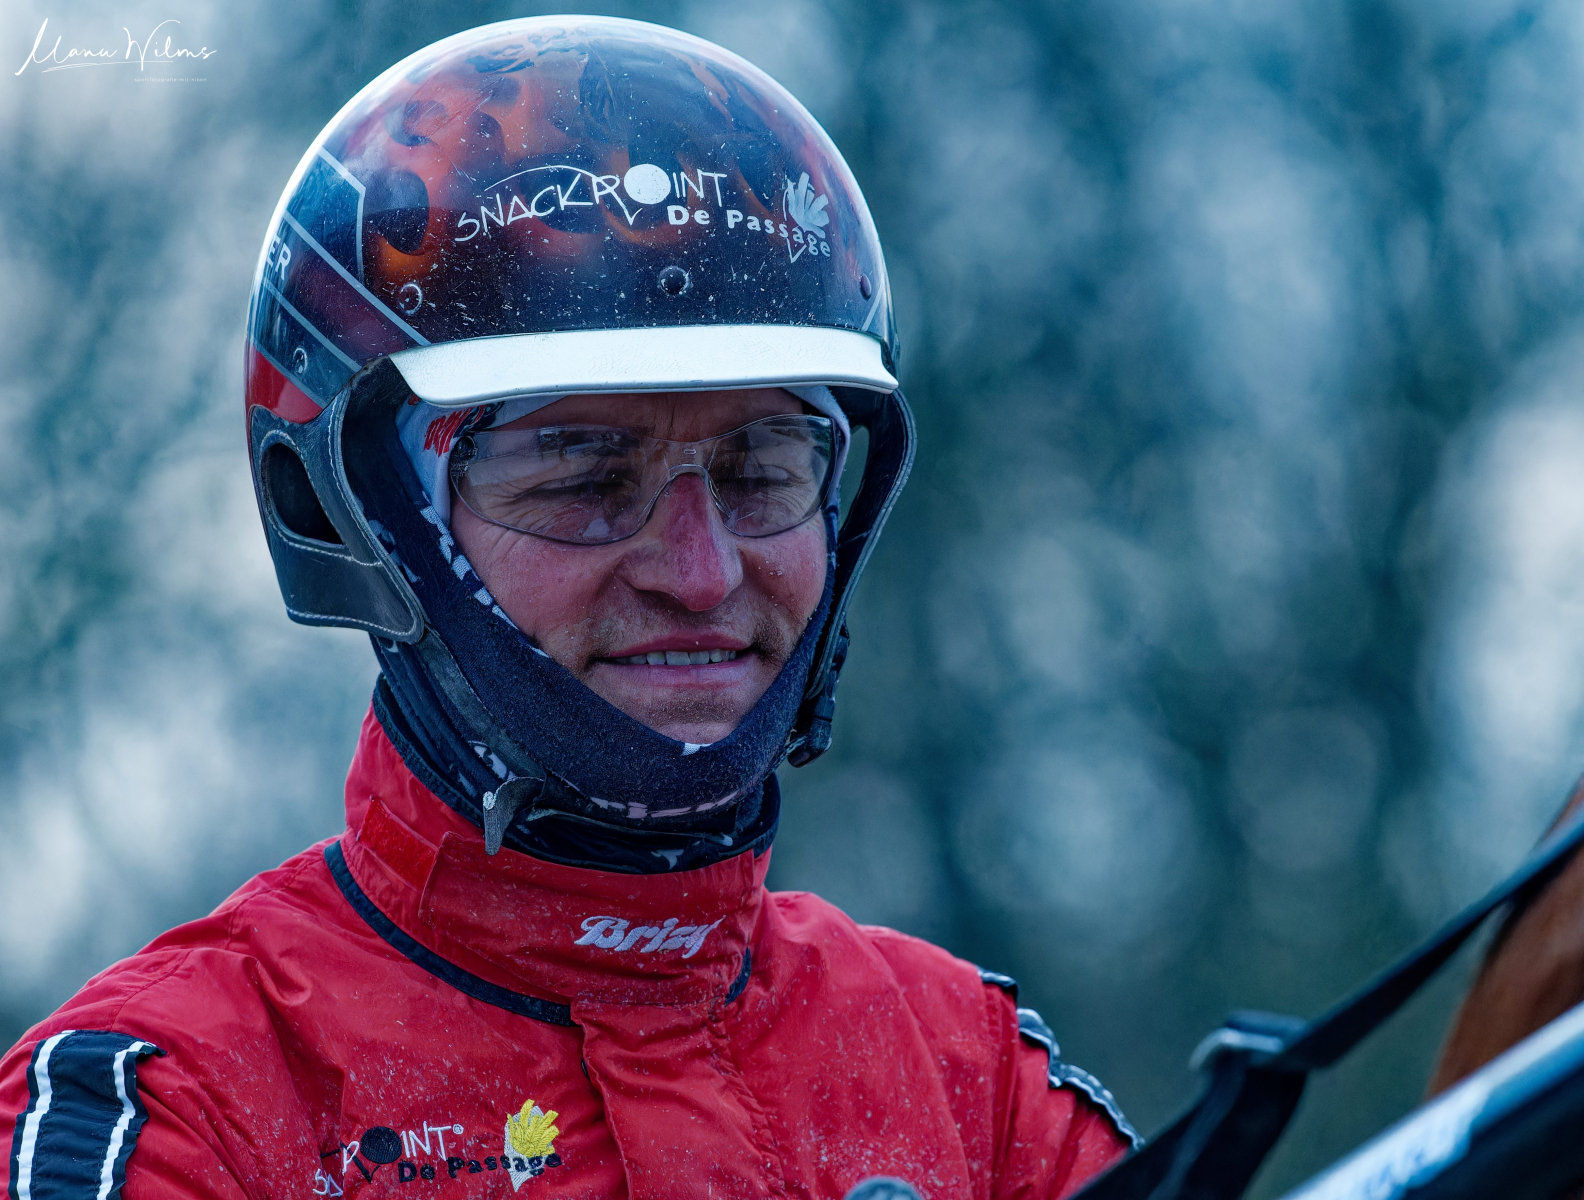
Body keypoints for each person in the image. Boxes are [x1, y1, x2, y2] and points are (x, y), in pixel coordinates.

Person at [0, 17, 1137, 1198]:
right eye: (582, 476)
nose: (700, 573)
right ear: (360, 515)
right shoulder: (178, 1106)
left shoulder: (977, 1086)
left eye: (762, 470)